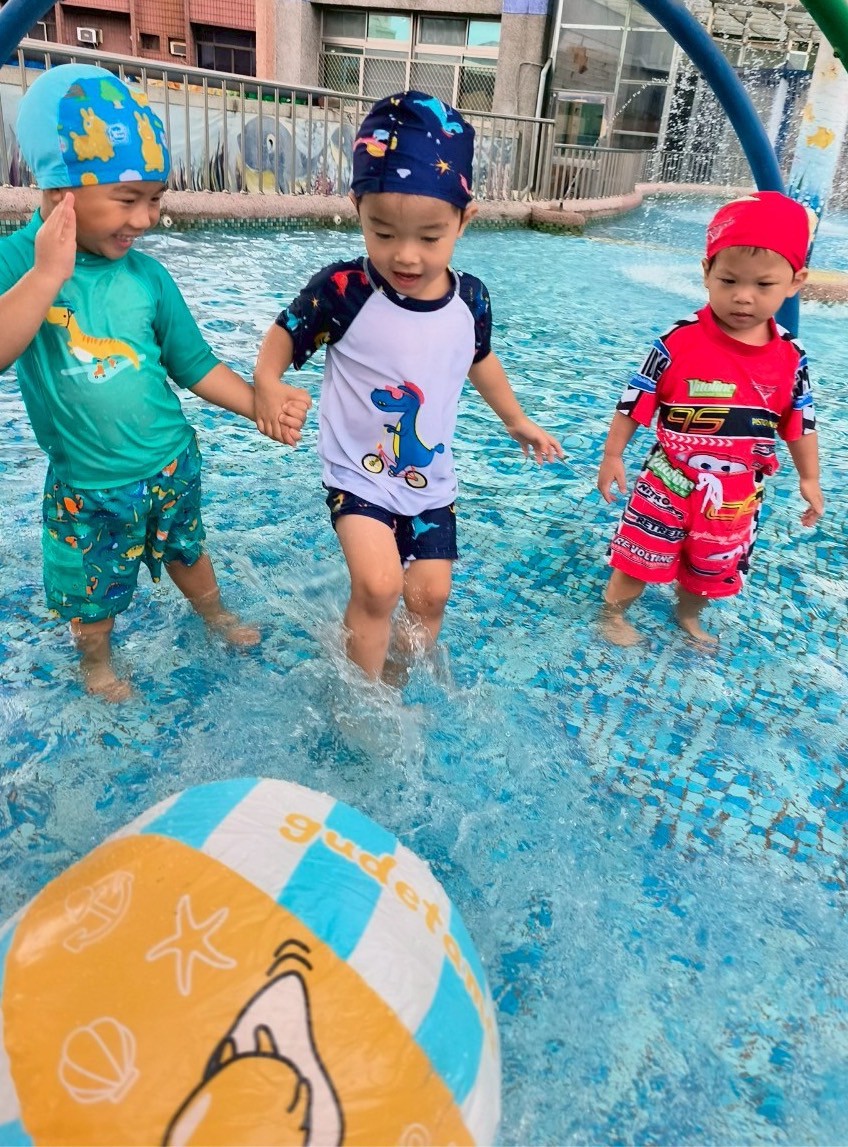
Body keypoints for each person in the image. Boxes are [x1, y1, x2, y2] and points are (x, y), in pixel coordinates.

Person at [2, 64, 310, 700]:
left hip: (169, 462)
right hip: (89, 486)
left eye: (156, 198)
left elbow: (194, 366)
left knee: (188, 552)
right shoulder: (17, 263)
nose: (146, 219)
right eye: (128, 199)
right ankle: (97, 664)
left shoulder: (147, 277)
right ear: (59, 191)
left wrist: (260, 406)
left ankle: (214, 614)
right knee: (90, 593)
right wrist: (48, 275)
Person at [254, 90, 562, 680]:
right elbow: (285, 333)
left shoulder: (470, 299)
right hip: (358, 471)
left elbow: (479, 359)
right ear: (357, 208)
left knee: (429, 596)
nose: (406, 256)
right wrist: (267, 381)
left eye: (429, 236)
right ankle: (359, 698)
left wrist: (516, 419)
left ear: (464, 220)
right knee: (378, 585)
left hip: (429, 479)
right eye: (383, 232)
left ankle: (394, 680)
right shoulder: (344, 290)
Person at [597, 190, 824, 646]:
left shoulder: (790, 357)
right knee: (638, 555)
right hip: (668, 481)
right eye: (728, 280)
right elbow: (634, 400)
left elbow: (800, 423)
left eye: (763, 285)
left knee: (711, 568)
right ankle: (614, 614)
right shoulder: (678, 341)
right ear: (706, 273)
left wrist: (810, 478)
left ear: (795, 282)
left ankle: (688, 614)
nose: (743, 297)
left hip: (736, 494)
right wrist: (613, 455)